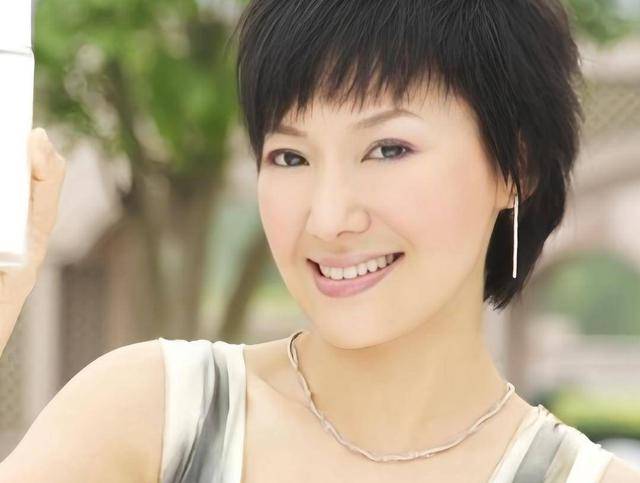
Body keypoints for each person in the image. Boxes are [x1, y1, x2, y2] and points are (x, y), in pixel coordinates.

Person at [0, 1, 639, 482]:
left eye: (388, 149)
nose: (329, 218)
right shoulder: (155, 416)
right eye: (290, 157)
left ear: (515, 166)